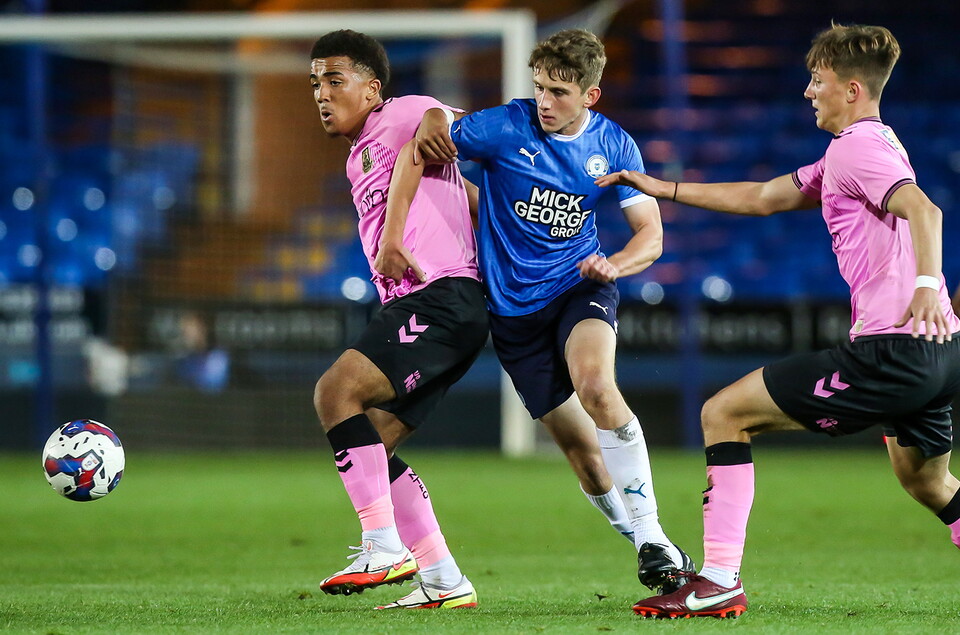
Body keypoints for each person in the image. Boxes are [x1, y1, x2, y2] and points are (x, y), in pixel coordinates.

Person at [596, 23, 960, 619]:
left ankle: (717, 581)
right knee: (927, 481)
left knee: (724, 412)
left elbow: (925, 209)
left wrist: (925, 284)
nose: (808, 92)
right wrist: (661, 187)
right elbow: (765, 197)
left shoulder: (857, 149)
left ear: (850, 88)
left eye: (816, 82)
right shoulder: (867, 147)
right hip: (939, 353)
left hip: (895, 347)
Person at [411, 28, 694, 593]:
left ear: (590, 95)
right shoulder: (502, 127)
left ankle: (656, 534)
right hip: (513, 314)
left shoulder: (614, 145)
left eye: (559, 91)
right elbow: (432, 137)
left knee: (597, 387)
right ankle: (642, 543)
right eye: (539, 87)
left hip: (578, 287)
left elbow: (651, 236)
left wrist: (615, 264)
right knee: (584, 456)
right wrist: (431, 121)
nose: (544, 101)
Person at [309, 30, 488, 610]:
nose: (321, 92)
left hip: (440, 298)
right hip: (435, 308)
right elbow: (463, 193)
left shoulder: (401, 112)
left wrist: (438, 117)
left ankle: (382, 546)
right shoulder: (357, 153)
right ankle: (443, 578)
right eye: (315, 82)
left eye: (335, 79)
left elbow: (440, 113)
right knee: (373, 446)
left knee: (336, 392)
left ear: (373, 87)